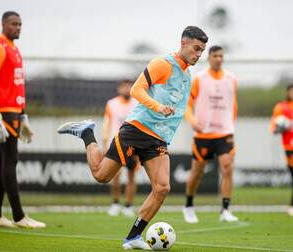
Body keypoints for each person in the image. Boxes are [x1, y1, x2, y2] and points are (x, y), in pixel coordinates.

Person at [58, 26, 208, 250]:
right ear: (183, 43)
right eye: (196, 48)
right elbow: (138, 90)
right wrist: (158, 107)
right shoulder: (162, 64)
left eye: (202, 51)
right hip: (137, 130)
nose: (198, 55)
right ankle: (87, 132)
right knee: (101, 175)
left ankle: (133, 237)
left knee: (163, 187)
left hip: (158, 140)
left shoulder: (187, 75)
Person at [0, 11, 45, 228]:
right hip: (2, 111)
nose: (17, 27)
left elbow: (16, 83)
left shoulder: (14, 48)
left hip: (14, 111)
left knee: (3, 162)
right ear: (3, 24)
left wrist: (24, 114)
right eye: (13, 23)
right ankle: (19, 217)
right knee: (10, 160)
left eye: (20, 24)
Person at [182, 45, 238, 223]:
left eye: (221, 56)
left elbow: (233, 104)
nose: (219, 59)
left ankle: (225, 209)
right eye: (215, 56)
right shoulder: (199, 78)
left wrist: (231, 125)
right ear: (209, 58)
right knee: (197, 172)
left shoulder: (231, 79)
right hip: (203, 134)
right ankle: (189, 205)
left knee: (227, 168)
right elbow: (188, 104)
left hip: (224, 133)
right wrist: (192, 120)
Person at [103, 80, 139, 217]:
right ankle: (115, 203)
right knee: (115, 176)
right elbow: (107, 123)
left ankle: (128, 206)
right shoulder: (111, 104)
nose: (127, 89)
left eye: (129, 86)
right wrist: (105, 141)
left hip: (133, 144)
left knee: (131, 176)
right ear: (119, 89)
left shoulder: (137, 103)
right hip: (116, 143)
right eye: (124, 87)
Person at [270, 84, 293, 216]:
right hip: (290, 147)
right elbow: (274, 128)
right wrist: (280, 127)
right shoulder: (281, 107)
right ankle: (292, 206)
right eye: (292, 91)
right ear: (288, 93)